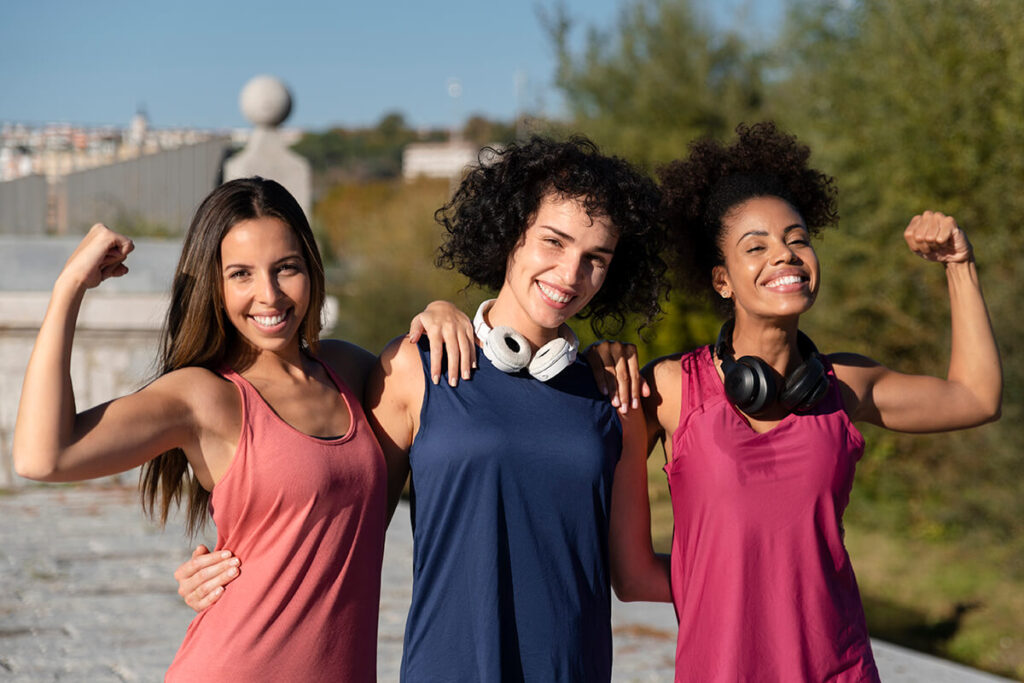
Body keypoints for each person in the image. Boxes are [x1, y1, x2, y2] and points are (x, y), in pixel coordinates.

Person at [176, 136, 674, 681]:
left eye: (594, 259)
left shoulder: (612, 395)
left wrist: (768, 575)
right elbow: (343, 522)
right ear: (511, 231)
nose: (570, 273)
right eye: (553, 242)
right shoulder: (418, 368)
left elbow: (636, 574)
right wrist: (232, 569)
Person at [12, 177, 474, 682]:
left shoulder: (354, 371)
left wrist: (440, 312)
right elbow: (42, 456)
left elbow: (434, 389)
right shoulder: (204, 397)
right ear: (216, 284)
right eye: (241, 274)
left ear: (312, 269)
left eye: (286, 268)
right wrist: (69, 287)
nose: (268, 295)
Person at [634, 122, 1001, 682]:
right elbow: (627, 568)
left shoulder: (844, 385)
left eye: (797, 239)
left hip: (839, 670)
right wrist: (716, 583)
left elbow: (975, 398)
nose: (785, 255)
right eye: (755, 247)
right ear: (722, 280)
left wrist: (959, 265)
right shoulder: (670, 389)